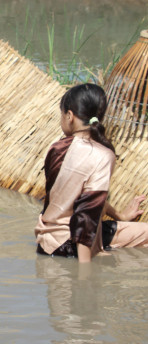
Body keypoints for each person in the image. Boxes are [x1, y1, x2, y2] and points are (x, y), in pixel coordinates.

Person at [35, 83, 148, 263]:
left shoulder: (56, 148)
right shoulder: (103, 155)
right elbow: (86, 213)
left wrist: (120, 216)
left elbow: (83, 200)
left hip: (49, 241)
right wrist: (85, 273)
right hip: (74, 246)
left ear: (69, 116)